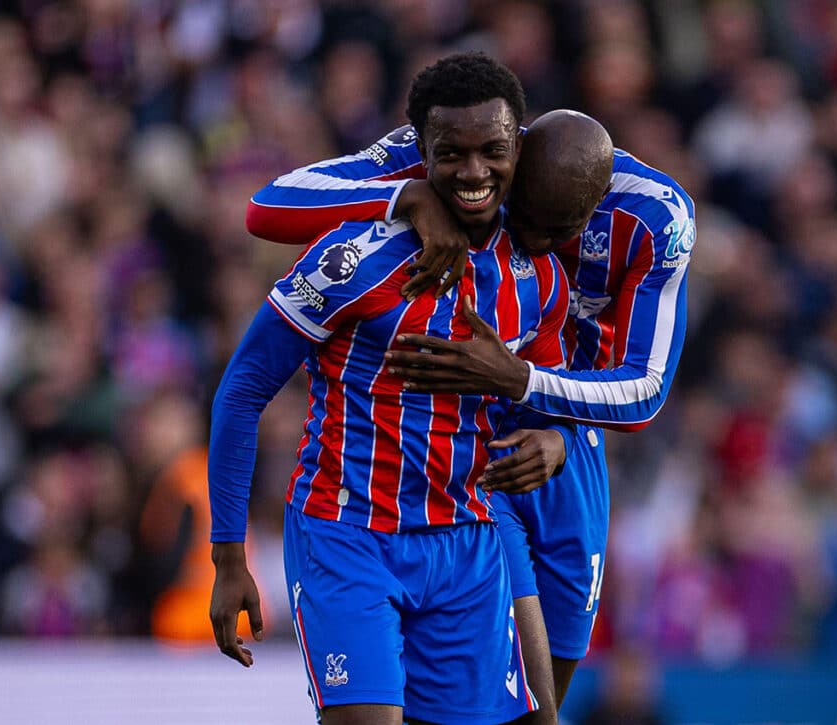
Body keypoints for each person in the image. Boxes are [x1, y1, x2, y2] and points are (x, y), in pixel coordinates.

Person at [243, 108, 695, 706]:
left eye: (553, 230)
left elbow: (645, 389)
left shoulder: (657, 219)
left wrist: (533, 395)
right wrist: (406, 198)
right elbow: (268, 205)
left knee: (547, 700)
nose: (529, 242)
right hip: (463, 451)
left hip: (565, 439)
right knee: (513, 692)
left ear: (592, 209)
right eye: (520, 214)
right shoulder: (463, 151)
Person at [209, 53, 586, 725]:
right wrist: (228, 553)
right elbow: (242, 390)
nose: (473, 173)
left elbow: (547, 396)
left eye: (492, 151)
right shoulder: (353, 255)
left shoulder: (540, 280)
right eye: (452, 154)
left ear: (518, 147)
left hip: (464, 543)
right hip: (346, 533)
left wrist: (555, 440)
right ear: (421, 151)